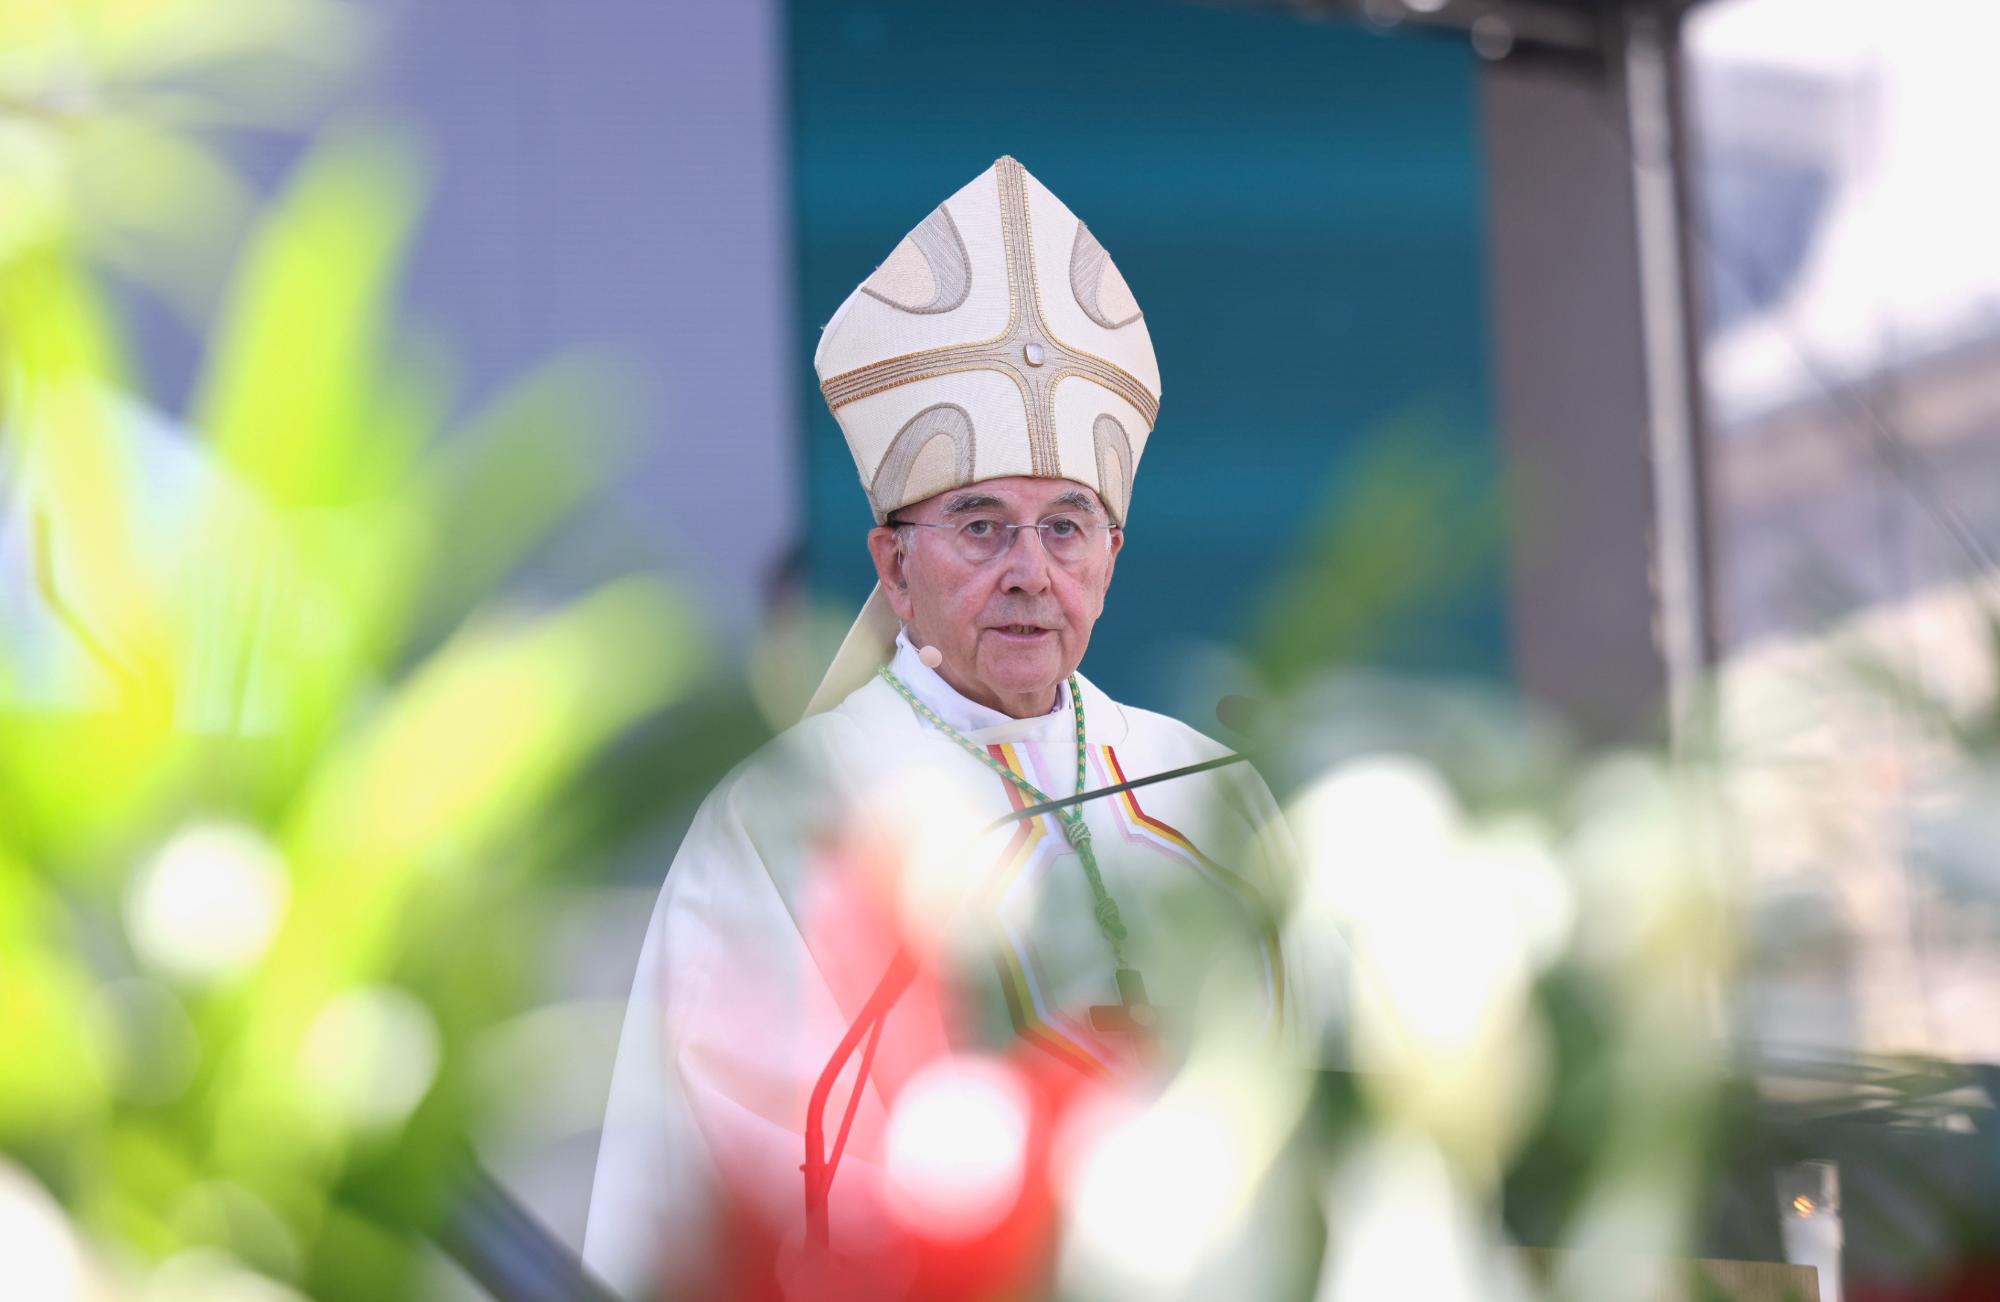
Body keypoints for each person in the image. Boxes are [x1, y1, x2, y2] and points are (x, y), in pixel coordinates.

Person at [583, 156, 1306, 1298]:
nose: (1030, 572)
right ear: (893, 564)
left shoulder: (1209, 790)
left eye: (1066, 527)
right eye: (981, 525)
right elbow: (720, 1177)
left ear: (1110, 560)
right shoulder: (789, 818)